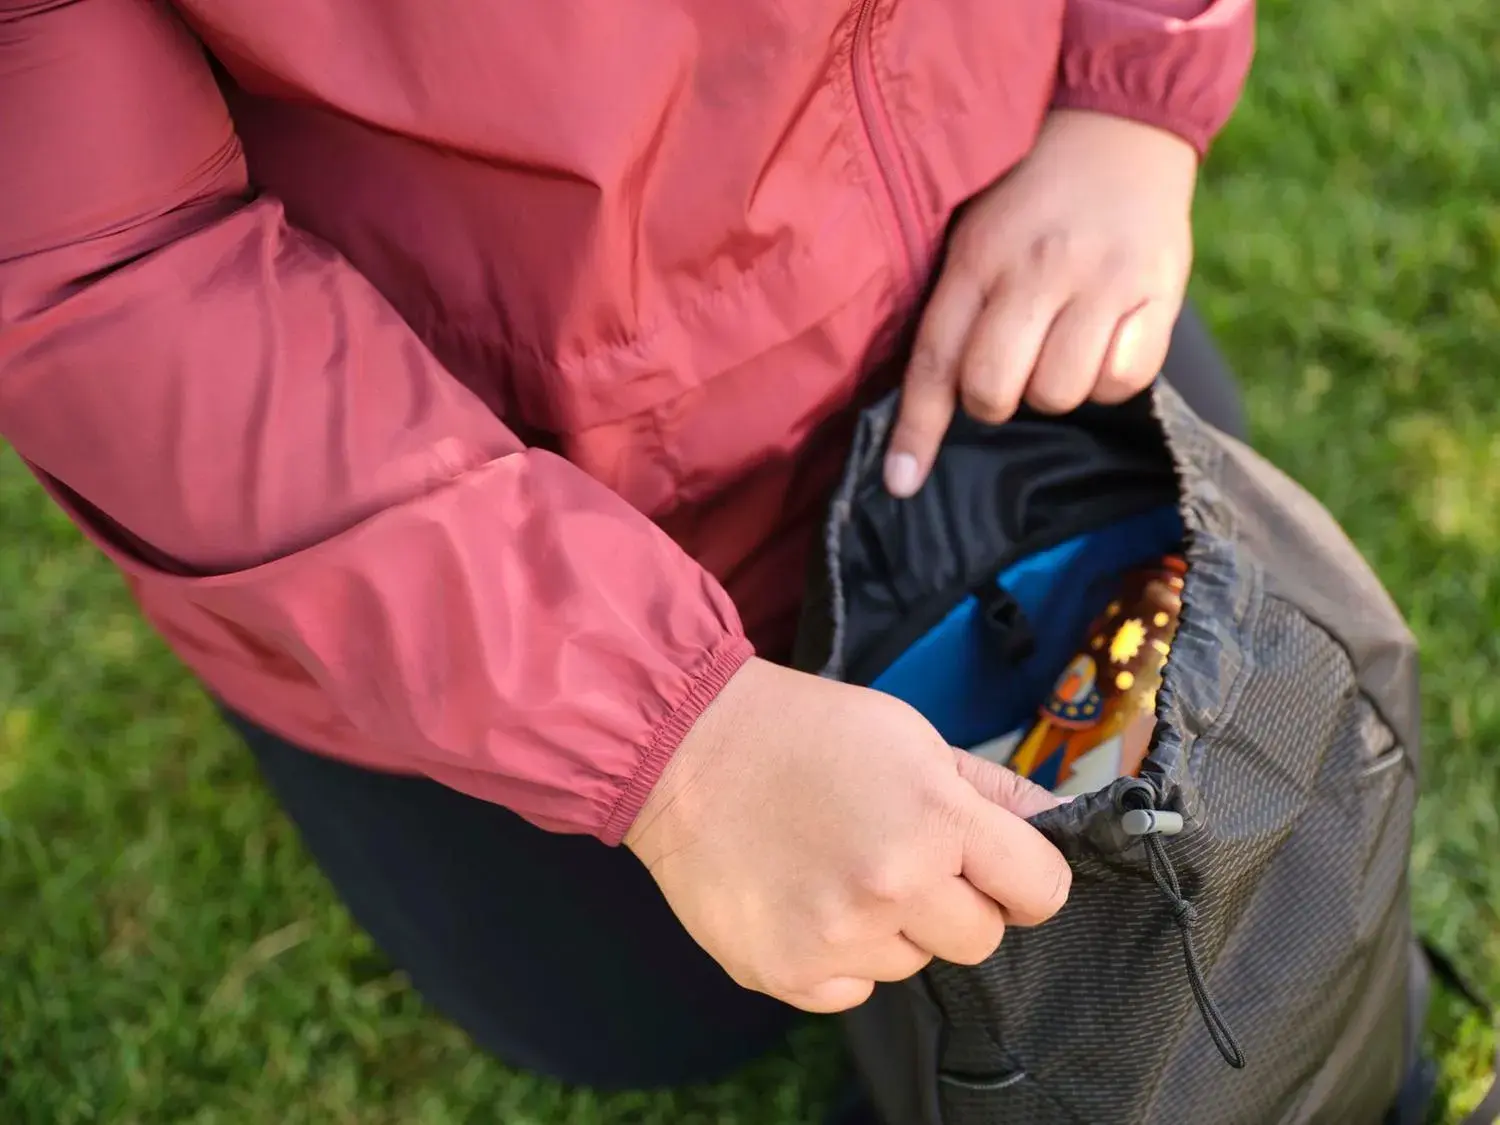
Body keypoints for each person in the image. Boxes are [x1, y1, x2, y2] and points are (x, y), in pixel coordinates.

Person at [0, 0, 1254, 1118]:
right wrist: (668, 742)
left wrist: (1127, 94)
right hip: (472, 478)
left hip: (977, 249)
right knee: (645, 1017)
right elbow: (105, 272)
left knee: (1225, 684)